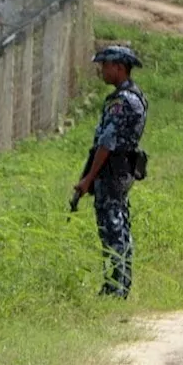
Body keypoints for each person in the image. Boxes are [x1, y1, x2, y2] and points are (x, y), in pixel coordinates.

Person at [73, 45, 148, 299]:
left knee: (112, 229)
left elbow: (107, 143)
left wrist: (88, 179)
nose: (102, 71)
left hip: (112, 171)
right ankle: (120, 284)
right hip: (122, 170)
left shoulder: (121, 101)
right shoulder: (135, 96)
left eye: (105, 66)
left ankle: (115, 288)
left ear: (119, 67)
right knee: (120, 226)